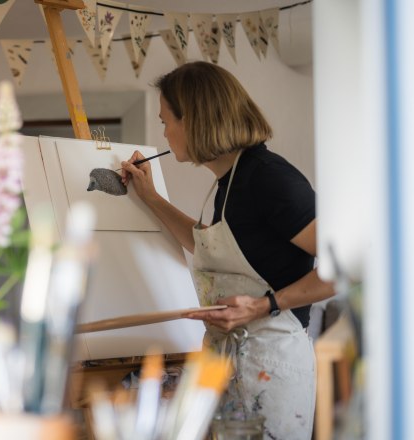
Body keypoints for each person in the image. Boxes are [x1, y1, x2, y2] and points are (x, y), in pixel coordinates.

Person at [120, 61, 334, 440]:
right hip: (232, 363)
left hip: (272, 364)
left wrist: (263, 304)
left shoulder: (268, 177)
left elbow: (344, 263)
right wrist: (151, 198)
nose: (165, 133)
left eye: (167, 121)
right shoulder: (228, 181)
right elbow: (206, 243)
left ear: (195, 121)